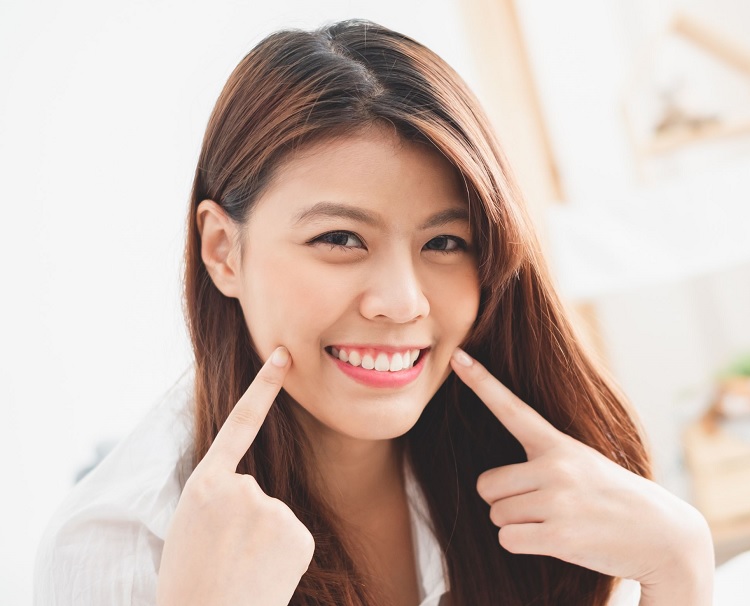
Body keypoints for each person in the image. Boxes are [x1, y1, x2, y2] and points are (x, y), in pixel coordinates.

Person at [35, 19, 715, 606]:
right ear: (223, 251)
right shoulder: (122, 539)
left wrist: (679, 566)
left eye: (445, 243)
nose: (401, 302)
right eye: (339, 239)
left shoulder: (541, 477)